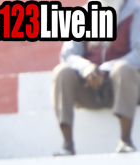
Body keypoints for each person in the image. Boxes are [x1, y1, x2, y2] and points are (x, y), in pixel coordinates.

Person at [51, 0, 139, 155]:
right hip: (89, 87)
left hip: (122, 88)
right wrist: (85, 67)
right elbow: (68, 54)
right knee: (61, 72)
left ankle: (125, 141)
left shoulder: (135, 11)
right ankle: (67, 145)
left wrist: (106, 69)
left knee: (123, 69)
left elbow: (138, 52)